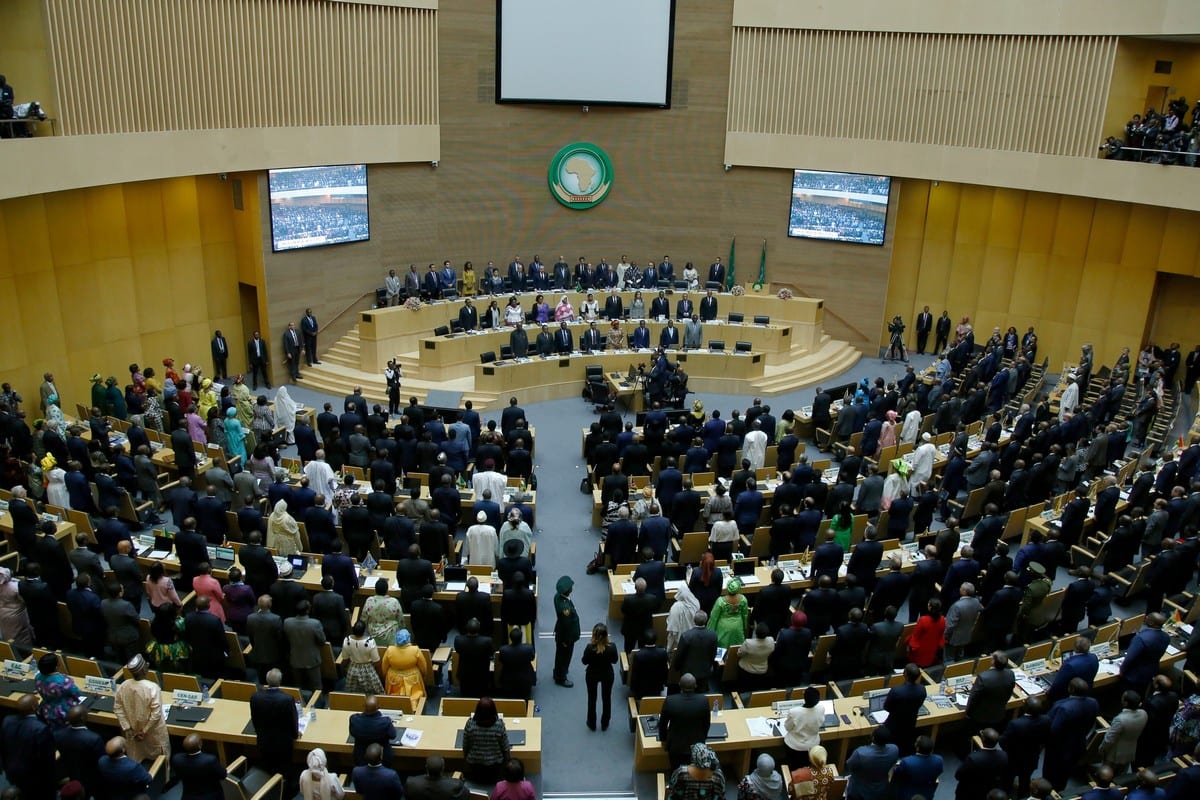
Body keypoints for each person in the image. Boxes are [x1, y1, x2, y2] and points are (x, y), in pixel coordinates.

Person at [113, 654, 169, 762]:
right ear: (144, 670)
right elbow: (156, 714)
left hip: (133, 732)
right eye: (146, 665)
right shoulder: (152, 688)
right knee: (160, 761)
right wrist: (144, 731)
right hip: (152, 733)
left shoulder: (124, 685)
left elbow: (117, 708)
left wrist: (127, 728)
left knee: (137, 757)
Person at [1, 693, 56, 799]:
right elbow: (47, 759)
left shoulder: (7, 720)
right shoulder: (40, 729)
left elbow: (3, 746)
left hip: (11, 769)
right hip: (34, 775)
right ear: (34, 707)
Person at [463, 697, 510, 784]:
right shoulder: (499, 725)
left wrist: (466, 761)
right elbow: (506, 748)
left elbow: (465, 746)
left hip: (474, 767)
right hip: (496, 768)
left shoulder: (470, 724)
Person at [845, 727, 900, 800]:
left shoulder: (861, 753)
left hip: (859, 792)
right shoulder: (894, 749)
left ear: (873, 737)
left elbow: (849, 765)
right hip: (880, 790)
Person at [581, 622, 618, 731]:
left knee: (592, 699)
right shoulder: (612, 647)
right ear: (606, 635)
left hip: (592, 675)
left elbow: (584, 661)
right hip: (607, 674)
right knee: (606, 699)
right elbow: (615, 661)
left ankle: (592, 723)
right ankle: (605, 723)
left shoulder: (589, 648)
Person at [1102, 689, 1148, 774]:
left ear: (1125, 703)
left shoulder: (1120, 720)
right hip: (1130, 751)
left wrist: (1101, 750)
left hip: (1114, 754)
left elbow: (1109, 740)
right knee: (1122, 776)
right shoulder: (1144, 714)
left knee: (1107, 775)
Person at [172, 732, 228, 800]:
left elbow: (178, 775)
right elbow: (223, 775)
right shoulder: (210, 760)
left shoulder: (177, 758)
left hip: (189, 796)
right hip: (211, 796)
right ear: (200, 745)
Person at [35, 650, 82, 728]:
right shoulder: (63, 681)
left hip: (46, 710)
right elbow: (77, 693)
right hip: (63, 712)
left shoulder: (38, 677)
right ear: (56, 667)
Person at [98, 736, 154, 800]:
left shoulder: (101, 761)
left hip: (112, 794)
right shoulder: (132, 767)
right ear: (123, 750)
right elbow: (148, 779)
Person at [381, 629, 429, 701]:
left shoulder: (390, 650)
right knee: (414, 696)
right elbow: (423, 666)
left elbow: (384, 666)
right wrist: (423, 675)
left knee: (394, 697)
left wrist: (385, 676)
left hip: (393, 678)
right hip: (413, 678)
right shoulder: (415, 649)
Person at [783, 685, 824, 768]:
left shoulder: (794, 712)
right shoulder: (821, 708)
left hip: (795, 746)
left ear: (804, 697)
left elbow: (787, 727)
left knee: (794, 767)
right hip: (813, 745)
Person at [891, 735, 943, 800]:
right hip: (928, 793)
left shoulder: (907, 762)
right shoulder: (939, 760)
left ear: (917, 748)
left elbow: (897, 773)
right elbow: (939, 772)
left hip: (907, 794)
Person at [554, 575, 580, 687]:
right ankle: (561, 678)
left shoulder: (557, 597)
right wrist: (566, 641)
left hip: (560, 632)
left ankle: (557, 672)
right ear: (568, 591)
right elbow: (566, 626)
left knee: (559, 655)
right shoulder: (566, 609)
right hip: (566, 637)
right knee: (565, 657)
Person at [708, 578, 749, 648]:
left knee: (722, 649)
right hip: (738, 626)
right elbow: (745, 615)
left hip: (723, 628)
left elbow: (713, 618)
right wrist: (745, 627)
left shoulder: (720, 601)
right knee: (737, 648)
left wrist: (709, 632)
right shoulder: (743, 599)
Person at [906, 598, 945, 667]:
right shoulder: (942, 619)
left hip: (920, 649)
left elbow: (916, 636)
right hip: (932, 648)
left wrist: (909, 643)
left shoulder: (923, 620)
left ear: (930, 607)